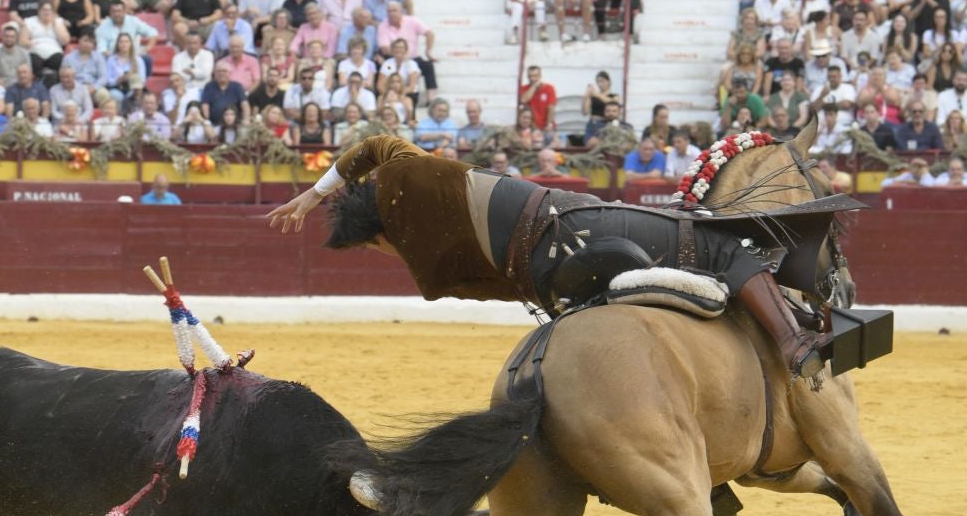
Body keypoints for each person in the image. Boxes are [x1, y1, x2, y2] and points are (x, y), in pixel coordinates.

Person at [268, 133, 847, 382]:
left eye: (371, 244)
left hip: (560, 273)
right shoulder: (408, 179)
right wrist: (316, 194)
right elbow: (374, 145)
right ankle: (794, 342)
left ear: (375, 227)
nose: (380, 253)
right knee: (715, 243)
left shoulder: (421, 246)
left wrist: (314, 193)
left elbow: (371, 149)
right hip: (568, 230)